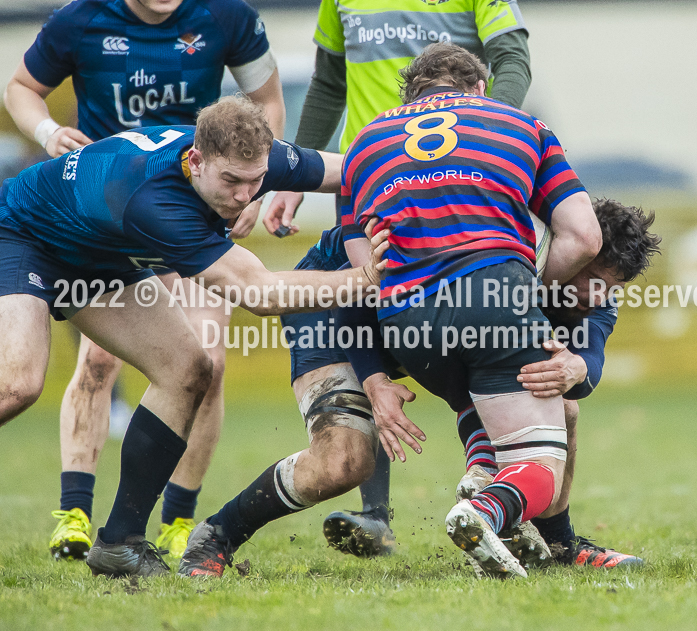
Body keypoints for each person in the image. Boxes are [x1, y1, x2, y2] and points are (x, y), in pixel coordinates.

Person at [176, 44, 600, 578]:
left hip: (400, 309)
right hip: (330, 301)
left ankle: (543, 536)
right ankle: (217, 533)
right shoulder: (522, 139)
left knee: (544, 399)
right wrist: (374, 377)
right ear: (480, 92)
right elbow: (361, 281)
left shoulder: (367, 144)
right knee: (343, 461)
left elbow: (380, 276)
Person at [0, 96, 387, 578]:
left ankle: (119, 544)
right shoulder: (155, 201)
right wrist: (368, 279)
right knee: (17, 384)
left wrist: (445, 169)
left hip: (102, 253)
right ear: (196, 162)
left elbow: (356, 169)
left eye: (256, 182)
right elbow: (258, 294)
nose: (245, 197)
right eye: (232, 183)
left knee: (187, 370)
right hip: (25, 234)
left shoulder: (249, 156)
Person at [3, 0, 286, 561]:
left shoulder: (227, 17)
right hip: (109, 221)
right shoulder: (80, 19)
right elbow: (19, 87)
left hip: (195, 214)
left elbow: (270, 102)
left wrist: (259, 185)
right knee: (99, 361)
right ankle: (74, 514)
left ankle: (178, 520)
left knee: (209, 363)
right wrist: (48, 129)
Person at [260, 0, 534, 553]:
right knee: (362, 309)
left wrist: (487, 134)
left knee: (475, 335)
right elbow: (328, 85)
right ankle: (376, 514)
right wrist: (294, 170)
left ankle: (505, 502)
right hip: (374, 176)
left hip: (454, 183)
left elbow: (513, 57)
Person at [453, 198, 661, 569]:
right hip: (431, 344)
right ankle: (486, 478)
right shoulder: (517, 262)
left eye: (611, 288)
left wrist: (577, 368)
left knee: (566, 407)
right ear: (573, 252)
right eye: (595, 281)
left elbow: (591, 360)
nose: (598, 297)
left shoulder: (599, 302)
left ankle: (555, 541)